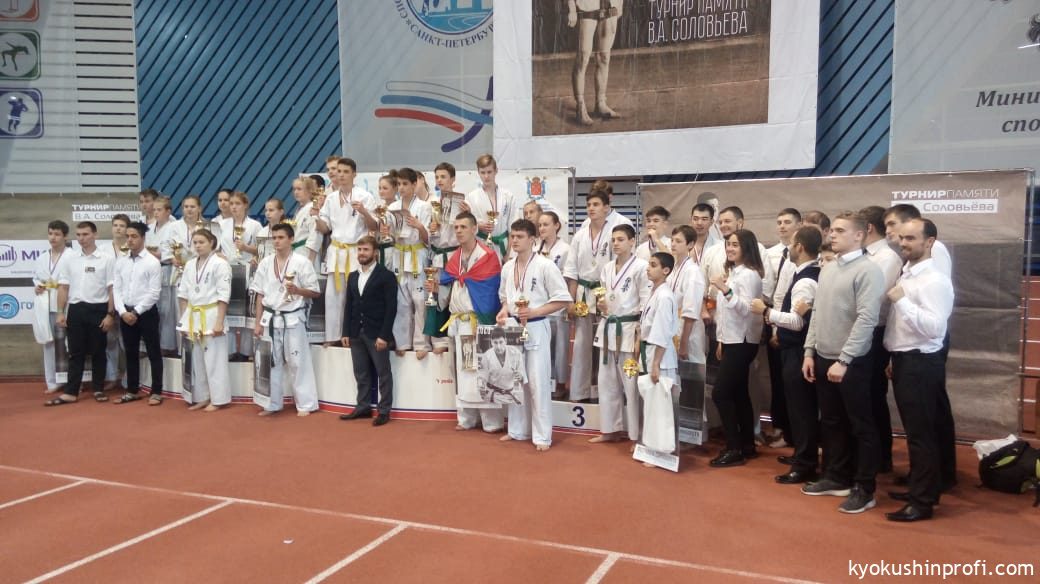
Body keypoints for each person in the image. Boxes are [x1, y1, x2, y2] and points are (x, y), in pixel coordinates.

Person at [801, 212, 885, 514]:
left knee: (861, 426)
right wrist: (809, 351)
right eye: (832, 230)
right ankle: (837, 477)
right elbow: (817, 313)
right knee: (832, 421)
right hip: (823, 357)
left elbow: (867, 319)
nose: (832, 235)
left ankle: (865, 488)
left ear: (859, 235)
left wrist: (845, 359)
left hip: (852, 362)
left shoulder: (868, 271)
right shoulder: (828, 269)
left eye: (839, 230)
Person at [883, 219, 954, 522]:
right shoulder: (909, 273)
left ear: (930, 242)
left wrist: (902, 302)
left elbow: (935, 329)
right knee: (918, 432)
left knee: (921, 435)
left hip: (921, 363)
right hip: (905, 359)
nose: (903, 243)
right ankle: (923, 488)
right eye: (902, 238)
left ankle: (921, 502)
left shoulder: (934, 280)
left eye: (911, 238)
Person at [753, 226, 822, 484]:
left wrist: (766, 312)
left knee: (802, 410)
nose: (789, 248)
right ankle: (802, 456)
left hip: (798, 351)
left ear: (800, 247)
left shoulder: (805, 281)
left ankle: (805, 463)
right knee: (798, 408)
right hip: (795, 350)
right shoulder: (804, 274)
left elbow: (797, 321)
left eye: (792, 243)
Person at [497, 219, 572, 450]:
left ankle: (542, 436)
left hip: (537, 326)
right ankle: (517, 429)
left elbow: (563, 299)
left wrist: (535, 311)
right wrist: (503, 311)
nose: (515, 240)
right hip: (513, 326)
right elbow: (504, 298)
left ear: (532, 239)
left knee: (538, 382)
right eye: (512, 236)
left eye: (520, 236)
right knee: (515, 379)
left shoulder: (545, 266)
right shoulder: (507, 267)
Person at [427, 212, 505, 432]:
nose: (459, 231)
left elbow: (490, 291)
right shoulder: (455, 258)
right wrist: (437, 288)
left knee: (483, 370)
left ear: (474, 229)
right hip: (459, 322)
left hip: (478, 321)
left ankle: (491, 421)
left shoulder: (488, 256)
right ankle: (466, 418)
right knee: (463, 372)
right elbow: (450, 286)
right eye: (456, 227)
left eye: (463, 227)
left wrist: (485, 321)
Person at [563, 189, 630, 402]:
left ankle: (607, 394)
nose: (591, 208)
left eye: (596, 204)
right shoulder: (580, 235)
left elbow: (619, 266)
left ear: (606, 207)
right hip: (583, 293)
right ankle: (579, 392)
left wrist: (610, 298)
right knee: (582, 344)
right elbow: (571, 270)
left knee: (607, 344)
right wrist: (570, 302)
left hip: (606, 293)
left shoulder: (613, 233)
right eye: (589, 205)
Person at [707, 230, 765, 467]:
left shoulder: (749, 275)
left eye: (735, 245)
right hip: (733, 339)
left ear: (746, 248)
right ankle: (746, 444)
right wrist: (722, 339)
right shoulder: (735, 272)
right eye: (728, 244)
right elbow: (725, 313)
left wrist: (724, 289)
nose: (730, 249)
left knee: (721, 393)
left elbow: (746, 309)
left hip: (743, 340)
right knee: (739, 393)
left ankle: (734, 448)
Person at [251, 224, 321, 417]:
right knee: (270, 363)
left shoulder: (302, 262)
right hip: (270, 318)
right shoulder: (266, 263)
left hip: (292, 318)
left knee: (298, 361)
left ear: (291, 239)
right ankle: (272, 404)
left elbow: (315, 292)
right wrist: (257, 323)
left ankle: (306, 404)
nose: (276, 241)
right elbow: (259, 294)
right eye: (274, 238)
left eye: (281, 237)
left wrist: (297, 290)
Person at [589, 224, 650, 444]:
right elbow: (603, 295)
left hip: (629, 330)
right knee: (606, 382)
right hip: (608, 328)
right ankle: (610, 429)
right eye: (613, 240)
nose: (616, 243)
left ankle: (636, 435)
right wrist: (600, 304)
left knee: (631, 385)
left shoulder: (642, 267)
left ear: (632, 241)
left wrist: (640, 335)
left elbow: (646, 302)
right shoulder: (607, 268)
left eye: (621, 239)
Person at [45, 222, 116, 406]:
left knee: (99, 351)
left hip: (98, 309)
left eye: (85, 234)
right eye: (78, 235)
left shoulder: (107, 259)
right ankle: (71, 392)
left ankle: (98, 388)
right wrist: (60, 312)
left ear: (95, 235)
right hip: (76, 309)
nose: (81, 238)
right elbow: (63, 287)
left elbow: (112, 289)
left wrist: (110, 314)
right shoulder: (70, 259)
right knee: (75, 352)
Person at [316, 157, 378, 344]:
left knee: (354, 296)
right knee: (333, 297)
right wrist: (316, 216)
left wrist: (364, 212)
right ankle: (333, 336)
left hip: (356, 252)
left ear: (354, 174)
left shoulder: (364, 196)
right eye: (338, 171)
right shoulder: (330, 199)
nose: (341, 175)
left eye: (345, 172)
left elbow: (374, 226)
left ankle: (353, 335)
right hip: (336, 251)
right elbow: (325, 228)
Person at [860, 205, 904, 473]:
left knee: (873, 395)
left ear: (867, 229)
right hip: (861, 330)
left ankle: (881, 456)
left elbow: (874, 298)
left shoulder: (887, 257)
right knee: (862, 396)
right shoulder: (864, 255)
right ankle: (868, 454)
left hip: (874, 332)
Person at [340, 236, 398, 426]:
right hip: (356, 332)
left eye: (365, 249)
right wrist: (346, 332)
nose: (362, 253)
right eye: (359, 250)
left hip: (377, 334)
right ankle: (363, 407)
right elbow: (349, 305)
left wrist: (384, 336)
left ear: (375, 253)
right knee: (361, 373)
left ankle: (384, 411)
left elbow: (391, 309)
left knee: (383, 374)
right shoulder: (353, 276)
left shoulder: (386, 276)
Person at [177, 229, 232, 412]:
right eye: (195, 243)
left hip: (211, 314)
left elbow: (224, 295)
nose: (198, 246)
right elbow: (183, 294)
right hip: (193, 316)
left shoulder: (220, 264)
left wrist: (219, 321)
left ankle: (219, 399)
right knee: (197, 361)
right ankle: (201, 397)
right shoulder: (190, 264)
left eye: (202, 242)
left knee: (215, 360)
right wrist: (184, 321)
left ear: (212, 243)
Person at [762, 208, 803, 449]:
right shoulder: (771, 254)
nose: (782, 226)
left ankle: (795, 434)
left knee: (796, 384)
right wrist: (775, 328)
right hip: (775, 320)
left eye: (787, 222)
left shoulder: (809, 256)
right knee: (778, 379)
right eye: (779, 222)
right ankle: (779, 426)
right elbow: (774, 293)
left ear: (798, 225)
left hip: (797, 324)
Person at [112, 221, 164, 406]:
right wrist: (122, 311)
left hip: (146, 312)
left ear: (143, 238)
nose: (130, 240)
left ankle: (156, 391)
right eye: (128, 236)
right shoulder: (121, 261)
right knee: (130, 352)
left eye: (134, 236)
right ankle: (132, 390)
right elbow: (116, 289)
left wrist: (136, 311)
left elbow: (154, 293)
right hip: (125, 312)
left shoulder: (152, 262)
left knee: (153, 352)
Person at [387, 168, 433, 358]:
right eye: (399, 184)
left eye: (405, 184)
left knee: (420, 301)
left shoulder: (424, 207)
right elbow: (389, 236)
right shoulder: (392, 207)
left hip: (417, 254)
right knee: (401, 301)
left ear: (415, 184)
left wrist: (419, 226)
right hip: (399, 254)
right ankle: (403, 342)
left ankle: (422, 343)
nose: (401, 188)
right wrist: (387, 230)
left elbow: (428, 238)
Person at [639, 252, 680, 460]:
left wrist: (656, 364)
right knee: (652, 404)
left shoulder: (664, 296)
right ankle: (651, 448)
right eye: (649, 264)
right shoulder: (654, 292)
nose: (648, 268)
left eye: (653, 265)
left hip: (660, 355)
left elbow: (662, 332)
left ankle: (662, 452)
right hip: (650, 350)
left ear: (665, 270)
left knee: (661, 407)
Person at [426, 162, 463, 355]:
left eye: (443, 177)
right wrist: (432, 230)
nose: (440, 180)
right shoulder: (433, 204)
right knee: (437, 295)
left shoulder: (462, 203)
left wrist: (466, 212)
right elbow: (430, 237)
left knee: (456, 297)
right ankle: (439, 340)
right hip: (439, 256)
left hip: (456, 255)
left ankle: (456, 338)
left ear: (453, 179)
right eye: (437, 177)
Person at [567, 0, 623, 125]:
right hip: (587, 6)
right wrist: (571, 8)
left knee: (604, 57)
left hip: (610, 5)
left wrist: (620, 4)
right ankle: (580, 106)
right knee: (583, 58)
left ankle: (600, 103)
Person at [537, 211, 572, 398]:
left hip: (558, 303)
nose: (542, 228)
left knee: (560, 347)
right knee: (543, 346)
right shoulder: (535, 247)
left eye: (546, 224)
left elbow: (569, 276)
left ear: (556, 226)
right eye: (540, 225)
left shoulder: (565, 249)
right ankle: (545, 381)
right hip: (540, 304)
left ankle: (560, 383)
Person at [34, 220, 71, 394]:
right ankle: (52, 381)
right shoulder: (42, 257)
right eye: (50, 234)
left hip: (67, 305)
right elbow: (36, 278)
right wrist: (38, 286)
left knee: (69, 344)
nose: (53, 237)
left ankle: (73, 380)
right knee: (49, 344)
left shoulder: (72, 256)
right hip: (47, 304)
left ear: (65, 236)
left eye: (57, 234)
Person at [465, 154, 517, 260]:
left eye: (489, 172)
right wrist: (478, 226)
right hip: (480, 247)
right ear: (478, 172)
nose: (486, 176)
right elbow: (465, 225)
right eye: (482, 172)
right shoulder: (471, 197)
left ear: (496, 171)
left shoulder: (508, 196)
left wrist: (508, 253)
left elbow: (513, 228)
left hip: (503, 247)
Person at [669, 225, 706, 370]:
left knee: (690, 371)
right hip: (672, 325)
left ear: (690, 244)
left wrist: (684, 343)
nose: (673, 244)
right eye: (672, 240)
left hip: (688, 331)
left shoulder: (693, 271)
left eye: (678, 241)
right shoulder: (674, 269)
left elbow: (691, 311)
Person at [149, 197, 180, 357]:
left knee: (168, 310)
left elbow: (173, 251)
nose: (156, 213)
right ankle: (155, 343)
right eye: (154, 210)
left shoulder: (173, 227)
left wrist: (155, 254)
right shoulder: (149, 228)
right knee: (155, 309)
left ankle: (168, 345)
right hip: (151, 270)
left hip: (167, 269)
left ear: (168, 211)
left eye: (159, 210)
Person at [479, 328, 525, 405]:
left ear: (505, 341)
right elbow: (483, 377)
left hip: (510, 395)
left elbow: (522, 374)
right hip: (493, 395)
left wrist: (520, 376)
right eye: (495, 343)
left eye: (501, 342)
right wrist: (481, 385)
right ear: (491, 342)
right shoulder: (487, 356)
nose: (498, 346)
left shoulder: (515, 353)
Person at [217, 191, 262, 266]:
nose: (234, 207)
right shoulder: (221, 225)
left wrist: (246, 248)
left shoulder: (255, 225)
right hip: (225, 266)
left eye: (237, 203)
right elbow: (214, 249)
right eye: (231, 204)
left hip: (248, 266)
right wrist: (220, 256)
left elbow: (262, 250)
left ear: (245, 205)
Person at [289, 176, 322, 266]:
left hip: (307, 254)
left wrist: (311, 259)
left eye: (299, 189)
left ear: (310, 190)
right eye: (294, 189)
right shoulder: (300, 209)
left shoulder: (312, 208)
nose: (296, 192)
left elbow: (315, 235)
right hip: (297, 252)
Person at [255, 198, 287, 264]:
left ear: (281, 212)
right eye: (266, 210)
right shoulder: (262, 232)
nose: (267, 213)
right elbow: (259, 253)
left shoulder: (288, 231)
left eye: (271, 210)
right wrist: (256, 258)